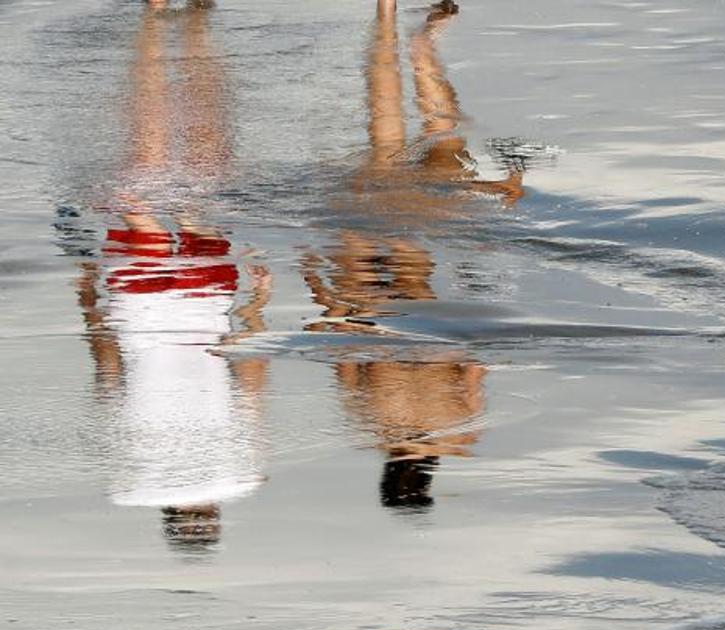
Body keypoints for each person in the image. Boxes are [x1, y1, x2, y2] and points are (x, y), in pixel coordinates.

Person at [302, 0, 514, 511]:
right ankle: (385, 13)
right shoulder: (369, 426)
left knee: (443, 138)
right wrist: (315, 284)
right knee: (383, 137)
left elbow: (475, 359)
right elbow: (343, 348)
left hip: (419, 293)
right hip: (365, 294)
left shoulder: (461, 432)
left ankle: (421, 46)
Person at [75, 1, 269, 550]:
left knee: (204, 168)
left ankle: (196, 22)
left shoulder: (241, 468)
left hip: (206, 301)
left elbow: (250, 373)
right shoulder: (128, 466)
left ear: (213, 513)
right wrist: (89, 302)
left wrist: (257, 305)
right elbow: (110, 369)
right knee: (146, 157)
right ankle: (155, 13)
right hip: (140, 305)